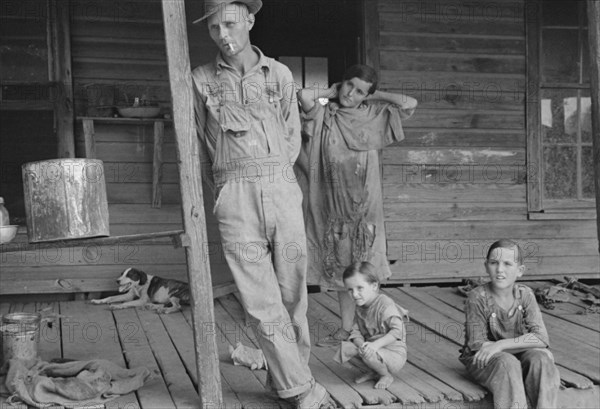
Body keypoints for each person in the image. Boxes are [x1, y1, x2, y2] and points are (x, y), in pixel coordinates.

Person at [191, 1, 334, 407]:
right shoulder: (200, 80)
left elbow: (292, 136)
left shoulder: (280, 75)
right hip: (233, 193)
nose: (223, 34)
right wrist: (225, 190)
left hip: (282, 186)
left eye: (230, 24)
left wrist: (274, 177)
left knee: (292, 295)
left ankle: (284, 382)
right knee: (259, 300)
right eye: (214, 27)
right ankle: (303, 389)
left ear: (250, 21)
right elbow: (200, 148)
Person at [296, 65, 417, 346]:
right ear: (343, 83)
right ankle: (347, 328)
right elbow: (304, 96)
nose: (352, 93)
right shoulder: (326, 112)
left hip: (366, 210)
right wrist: (332, 91)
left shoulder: (374, 114)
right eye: (350, 85)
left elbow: (409, 103)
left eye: (360, 90)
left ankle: (381, 324)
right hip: (334, 207)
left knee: (368, 268)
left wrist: (372, 96)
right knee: (342, 270)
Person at [459, 239, 561, 409]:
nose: (500, 270)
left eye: (507, 264)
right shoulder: (477, 297)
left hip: (512, 351)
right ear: (486, 266)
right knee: (508, 363)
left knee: (541, 359)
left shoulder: (525, 295)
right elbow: (478, 345)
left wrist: (500, 345)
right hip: (485, 359)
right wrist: (520, 345)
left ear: (520, 271)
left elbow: (541, 338)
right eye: (494, 263)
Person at [334, 262, 408, 395]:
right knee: (346, 350)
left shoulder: (384, 303)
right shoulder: (360, 306)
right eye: (350, 290)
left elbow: (398, 331)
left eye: (360, 288)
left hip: (393, 352)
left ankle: (386, 375)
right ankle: (375, 371)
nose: (355, 294)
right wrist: (362, 345)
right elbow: (355, 331)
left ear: (374, 286)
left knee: (368, 354)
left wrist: (374, 346)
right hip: (374, 348)